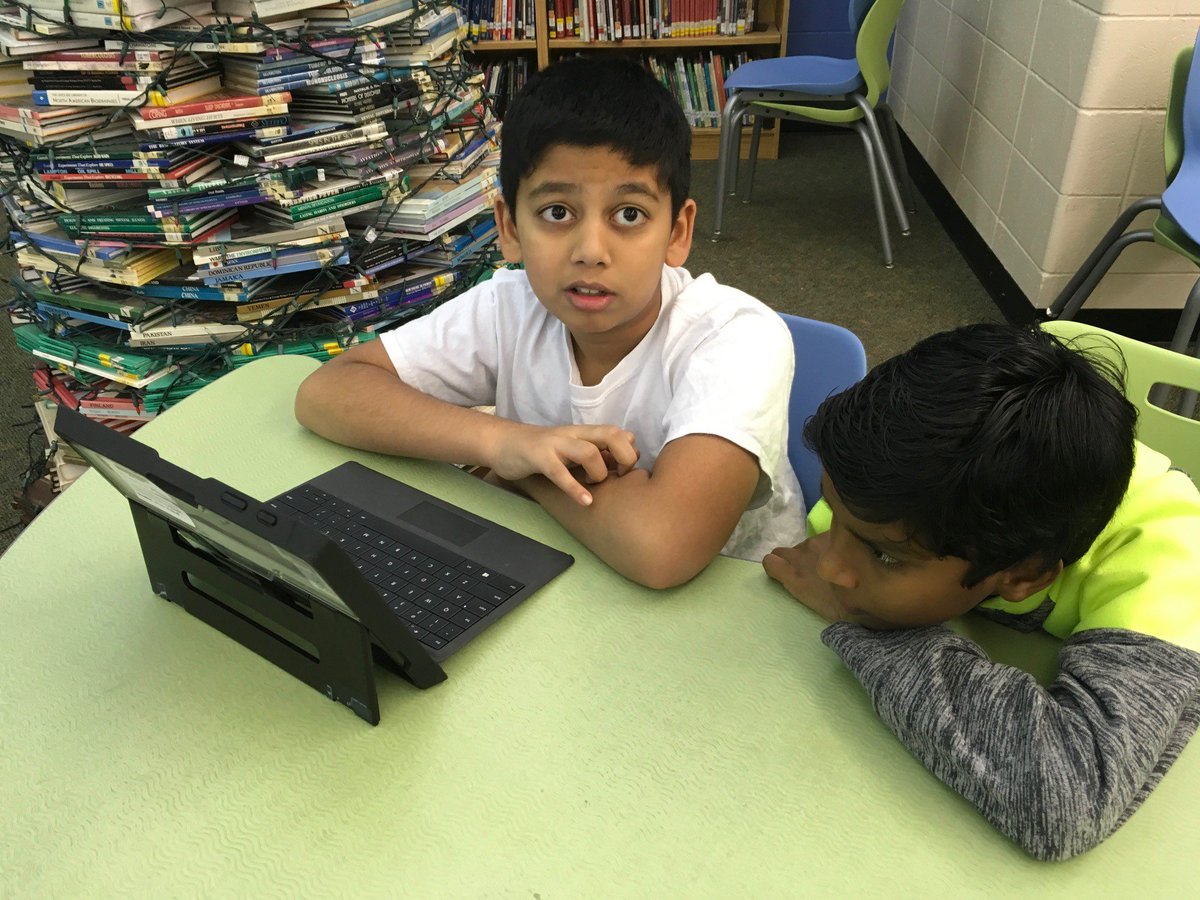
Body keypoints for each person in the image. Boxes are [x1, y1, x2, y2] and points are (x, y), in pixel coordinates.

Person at [295, 56, 806, 588]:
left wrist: (530, 465)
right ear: (509, 227)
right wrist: (503, 443)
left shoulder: (738, 336)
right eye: (557, 212)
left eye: (629, 215)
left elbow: (664, 549)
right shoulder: (508, 306)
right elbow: (327, 392)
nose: (590, 251)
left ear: (677, 232)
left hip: (735, 606)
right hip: (569, 570)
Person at [763, 322, 1200, 861]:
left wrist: (870, 627)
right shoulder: (885, 499)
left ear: (1022, 577)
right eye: (834, 515)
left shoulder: (1164, 561)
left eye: (880, 556)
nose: (830, 566)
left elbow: (1069, 795)